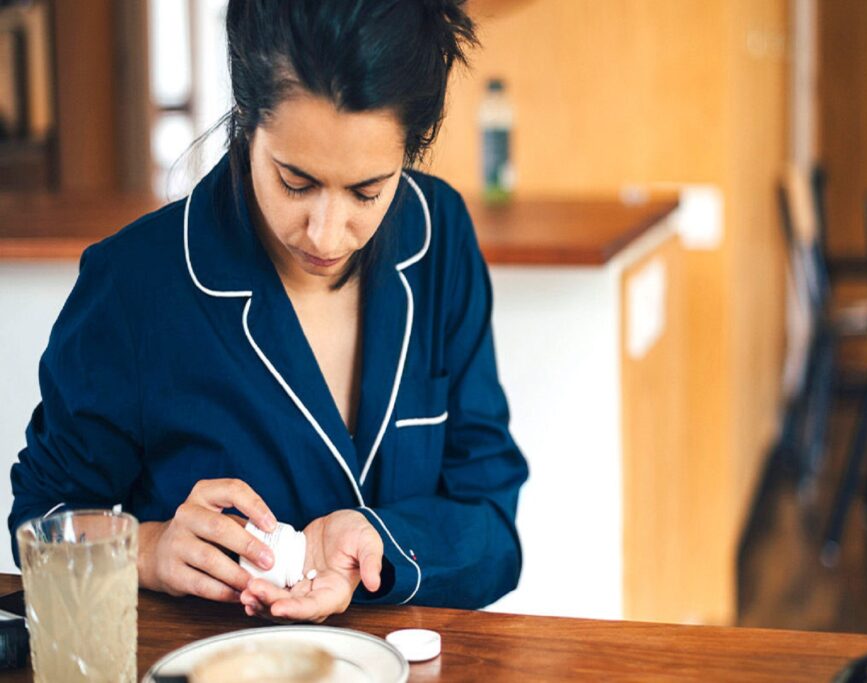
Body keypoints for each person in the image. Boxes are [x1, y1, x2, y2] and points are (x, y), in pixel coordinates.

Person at [8, 0, 527, 623]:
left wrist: (375, 539)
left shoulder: (438, 234)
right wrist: (145, 550)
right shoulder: (135, 283)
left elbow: (492, 524)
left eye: (367, 191)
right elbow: (42, 524)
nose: (327, 236)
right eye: (295, 182)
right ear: (247, 118)